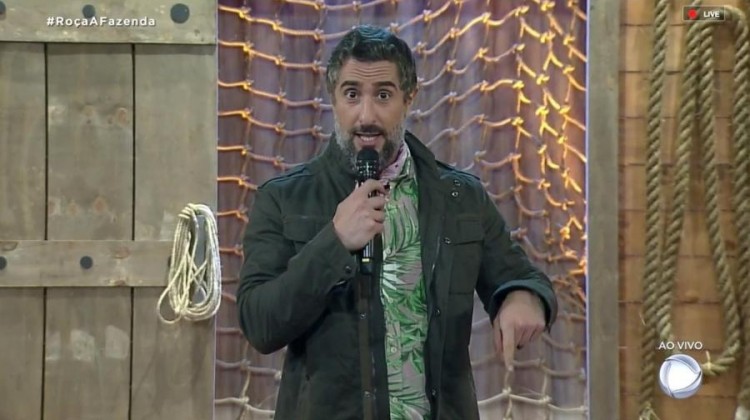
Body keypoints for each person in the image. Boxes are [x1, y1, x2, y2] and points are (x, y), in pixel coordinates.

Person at [236, 24, 558, 420]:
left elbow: (521, 277)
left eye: (383, 95)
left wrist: (523, 297)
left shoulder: (461, 197)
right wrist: (335, 241)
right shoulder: (284, 198)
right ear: (334, 98)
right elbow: (259, 324)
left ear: (409, 98)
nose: (366, 115)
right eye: (352, 94)